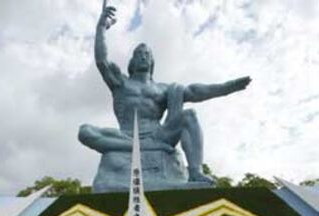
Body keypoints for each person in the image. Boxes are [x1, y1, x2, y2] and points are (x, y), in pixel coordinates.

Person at [79, 4, 251, 184]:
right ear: (132, 61)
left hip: (158, 135)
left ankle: (195, 171)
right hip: (126, 135)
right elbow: (102, 61)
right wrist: (101, 28)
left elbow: (195, 91)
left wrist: (226, 88)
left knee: (189, 116)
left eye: (147, 54)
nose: (143, 57)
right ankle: (138, 147)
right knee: (84, 131)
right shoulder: (121, 83)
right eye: (139, 54)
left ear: (152, 61)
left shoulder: (163, 89)